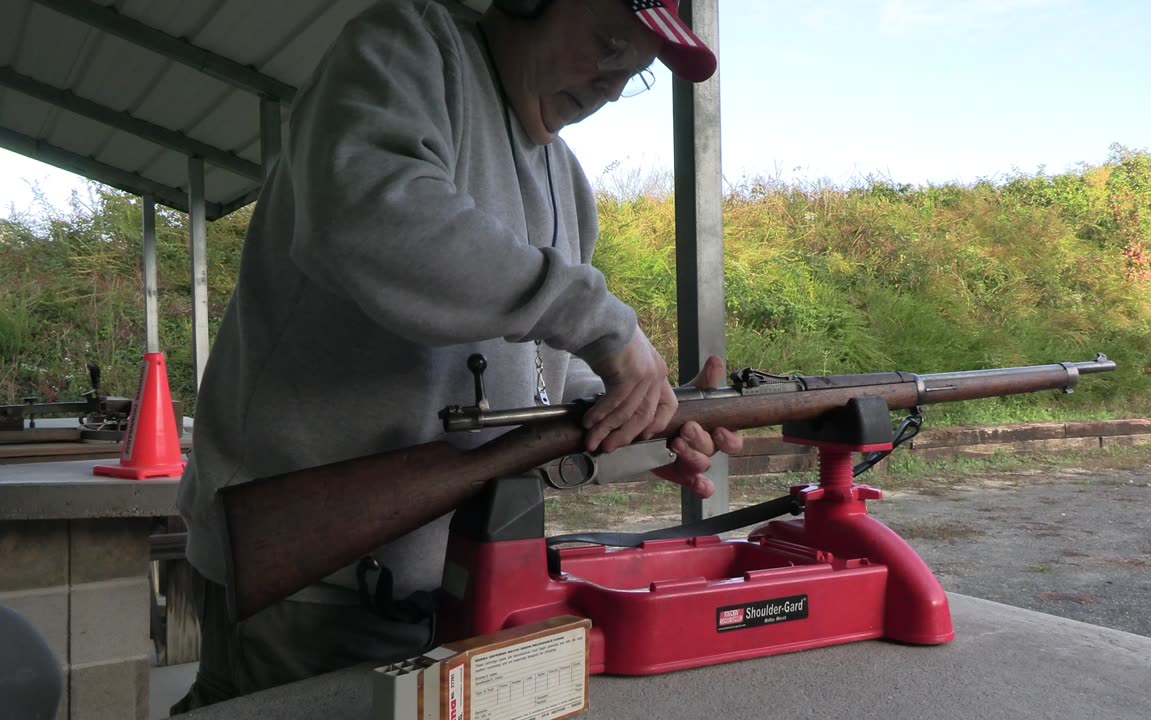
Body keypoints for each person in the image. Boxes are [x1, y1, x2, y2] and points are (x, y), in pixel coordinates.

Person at [171, 0, 740, 711]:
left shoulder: (568, 183)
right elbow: (368, 219)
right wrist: (600, 321)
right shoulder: (409, 49)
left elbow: (538, 385)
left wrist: (651, 422)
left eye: (637, 71)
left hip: (444, 586)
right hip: (304, 585)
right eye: (608, 43)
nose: (613, 85)